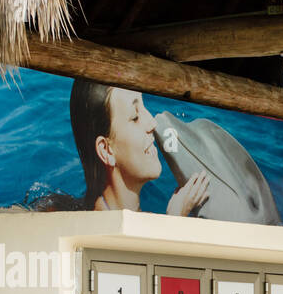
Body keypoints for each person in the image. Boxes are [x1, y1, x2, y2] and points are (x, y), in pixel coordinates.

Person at [68, 79, 210, 215]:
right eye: (135, 117)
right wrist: (175, 219)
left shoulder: (135, 216)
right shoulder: (96, 230)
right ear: (106, 150)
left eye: (144, 106)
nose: (152, 123)